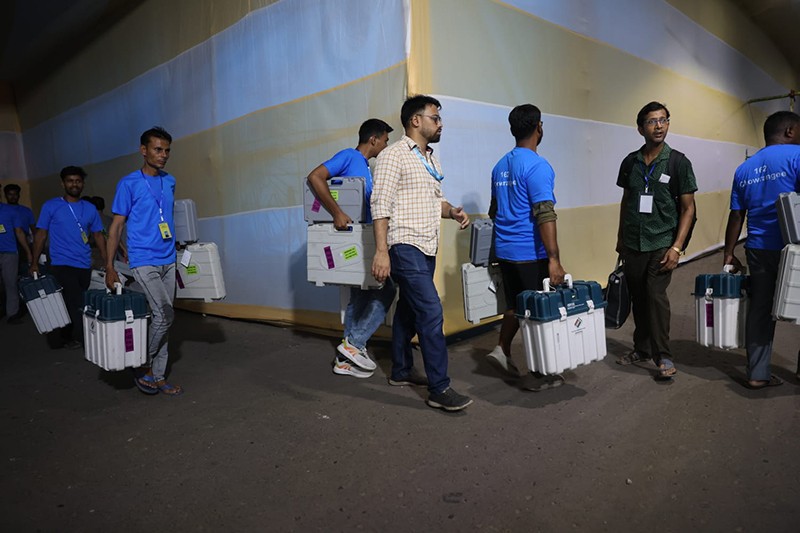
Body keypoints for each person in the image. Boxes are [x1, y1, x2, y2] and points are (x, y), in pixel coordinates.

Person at [371, 95, 473, 411]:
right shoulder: (393, 155)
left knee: (408, 311)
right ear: (416, 120)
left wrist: (451, 210)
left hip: (427, 245)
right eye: (435, 117)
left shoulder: (430, 159)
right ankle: (439, 389)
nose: (440, 123)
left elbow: (433, 201)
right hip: (404, 246)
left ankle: (400, 371)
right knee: (430, 311)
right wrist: (381, 251)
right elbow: (380, 204)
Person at [485, 104, 568, 391]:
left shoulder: (499, 166)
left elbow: (494, 211)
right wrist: (554, 259)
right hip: (530, 254)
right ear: (539, 127)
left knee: (516, 305)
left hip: (506, 251)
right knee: (537, 313)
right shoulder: (537, 166)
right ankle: (540, 373)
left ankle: (501, 350)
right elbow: (545, 213)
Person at [306, 118, 396, 379]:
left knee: (359, 294)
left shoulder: (367, 168)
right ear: (374, 139)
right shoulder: (348, 156)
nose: (386, 145)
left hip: (363, 238)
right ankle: (354, 344)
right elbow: (315, 176)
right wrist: (336, 212)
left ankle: (345, 361)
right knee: (385, 287)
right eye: (385, 140)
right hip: (350, 239)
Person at [615, 101, 697, 379]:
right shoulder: (631, 162)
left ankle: (663, 355)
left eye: (663, 120)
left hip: (662, 241)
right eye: (652, 121)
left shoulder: (678, 162)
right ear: (641, 128)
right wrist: (620, 238)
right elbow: (626, 201)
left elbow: (688, 208)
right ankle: (642, 347)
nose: (659, 125)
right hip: (633, 242)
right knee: (638, 297)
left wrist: (677, 247)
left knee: (655, 297)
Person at [723, 110, 800, 389]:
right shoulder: (797, 156)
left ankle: (757, 374)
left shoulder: (744, 168)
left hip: (757, 247)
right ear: (790, 131)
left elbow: (736, 214)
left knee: (760, 309)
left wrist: (729, 252)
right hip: (794, 247)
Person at [105, 126, 182, 396]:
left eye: (167, 150)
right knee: (164, 314)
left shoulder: (169, 181)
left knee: (164, 319)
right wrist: (110, 266)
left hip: (168, 258)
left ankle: (158, 376)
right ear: (144, 150)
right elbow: (115, 227)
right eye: (158, 149)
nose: (163, 155)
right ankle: (140, 363)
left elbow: (166, 217)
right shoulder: (128, 183)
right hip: (143, 259)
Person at [30, 166, 107, 348]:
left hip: (84, 264)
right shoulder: (51, 206)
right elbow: (41, 235)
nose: (74, 184)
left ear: (83, 184)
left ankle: (62, 337)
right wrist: (33, 262)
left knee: (70, 301)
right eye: (70, 181)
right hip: (61, 263)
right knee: (77, 302)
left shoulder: (89, 208)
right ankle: (82, 339)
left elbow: (98, 235)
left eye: (78, 181)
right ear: (63, 183)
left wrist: (107, 261)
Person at [0, 201, 32, 322]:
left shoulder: (10, 211)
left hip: (9, 252)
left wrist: (28, 252)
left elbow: (19, 232)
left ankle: (12, 314)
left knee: (10, 283)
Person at [4, 183, 36, 272]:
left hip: (24, 243)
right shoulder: (3, 211)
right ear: (5, 195)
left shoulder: (26, 211)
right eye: (10, 194)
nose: (13, 197)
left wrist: (36, 244)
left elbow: (34, 229)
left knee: (25, 269)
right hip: (8, 244)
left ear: (19, 195)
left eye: (15, 194)